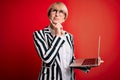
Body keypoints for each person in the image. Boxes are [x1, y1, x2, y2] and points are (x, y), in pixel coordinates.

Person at [33, 2, 90, 80]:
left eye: (61, 12)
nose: (57, 14)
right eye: (54, 11)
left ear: (64, 18)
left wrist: (87, 65)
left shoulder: (69, 36)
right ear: (49, 14)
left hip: (69, 77)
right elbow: (47, 59)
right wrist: (58, 35)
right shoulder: (39, 34)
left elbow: (71, 60)